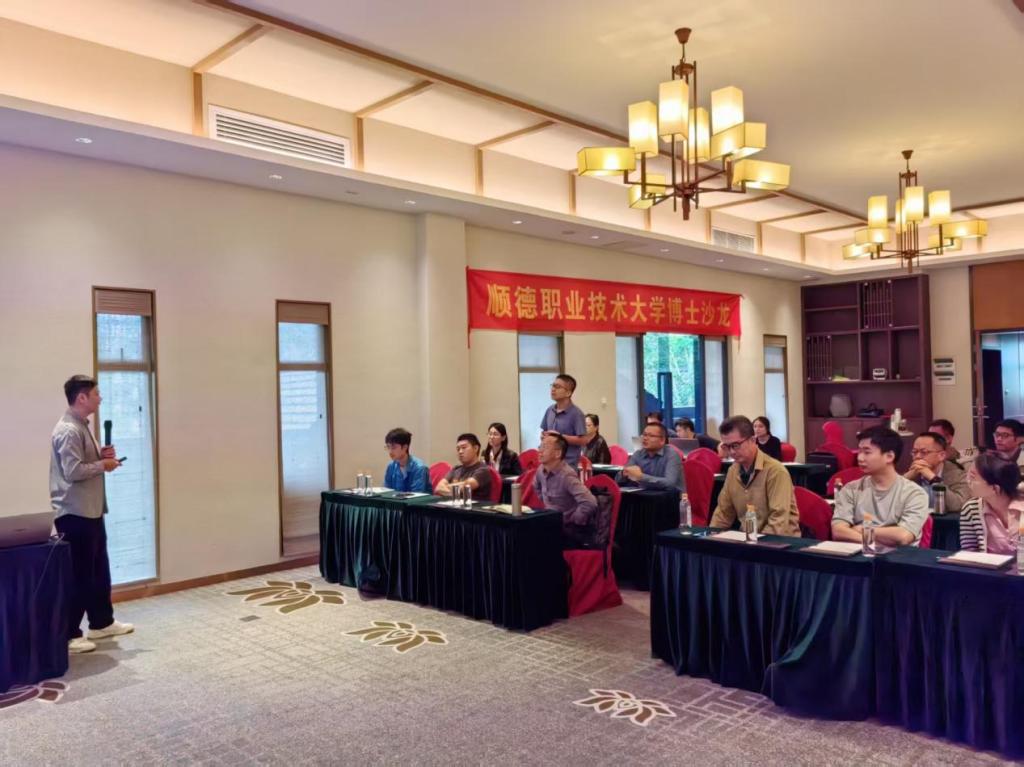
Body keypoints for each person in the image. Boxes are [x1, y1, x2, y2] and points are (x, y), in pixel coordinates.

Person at [50, 375, 134, 655]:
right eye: (96, 394)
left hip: (91, 510)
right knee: (79, 575)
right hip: (74, 513)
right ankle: (70, 634)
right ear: (82, 397)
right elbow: (73, 471)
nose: (101, 398)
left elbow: (85, 463)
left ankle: (101, 622)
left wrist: (102, 456)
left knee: (98, 571)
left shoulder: (82, 426)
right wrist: (102, 465)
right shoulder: (68, 430)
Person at [831, 425, 930, 547]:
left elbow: (904, 536)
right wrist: (873, 543)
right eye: (860, 451)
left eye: (867, 452)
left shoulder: (914, 493)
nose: (860, 458)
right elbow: (838, 531)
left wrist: (861, 529)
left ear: (889, 456)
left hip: (899, 557)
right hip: (859, 554)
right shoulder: (851, 489)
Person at [709, 416, 800, 536]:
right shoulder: (733, 471)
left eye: (735, 445)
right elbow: (723, 513)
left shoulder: (775, 471)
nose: (731, 452)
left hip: (780, 541)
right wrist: (712, 536)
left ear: (752, 440)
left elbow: (778, 521)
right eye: (726, 447)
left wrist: (755, 545)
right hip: (748, 539)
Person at [534, 434, 598, 548]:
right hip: (551, 524)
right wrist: (546, 503)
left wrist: (573, 520)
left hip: (567, 530)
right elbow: (536, 487)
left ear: (558, 453)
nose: (540, 451)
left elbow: (590, 502)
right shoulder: (540, 470)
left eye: (545, 447)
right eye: (540, 446)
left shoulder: (567, 475)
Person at [960, 453, 1024, 555]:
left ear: (995, 488)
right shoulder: (971, 509)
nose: (968, 481)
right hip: (988, 565)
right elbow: (970, 554)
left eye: (973, 477)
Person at [903, 431, 969, 513]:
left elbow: (958, 505)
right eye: (914, 452)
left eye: (924, 452)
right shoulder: (912, 474)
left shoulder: (957, 474)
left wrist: (933, 479)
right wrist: (906, 478)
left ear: (941, 455)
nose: (917, 456)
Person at [616, 422, 683, 491]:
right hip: (644, 494)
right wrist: (623, 474)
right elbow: (617, 480)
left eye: (651, 436)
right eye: (644, 435)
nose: (645, 438)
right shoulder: (638, 454)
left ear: (662, 440)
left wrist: (641, 477)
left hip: (669, 495)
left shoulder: (672, 455)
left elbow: (670, 483)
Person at [540, 374, 588, 467]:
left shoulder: (576, 414)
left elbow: (583, 440)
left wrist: (560, 437)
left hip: (567, 464)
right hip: (549, 462)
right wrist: (543, 436)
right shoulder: (550, 410)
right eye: (553, 385)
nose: (553, 389)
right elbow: (544, 431)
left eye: (557, 387)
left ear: (568, 393)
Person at [435, 433, 492, 499]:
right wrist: (454, 494)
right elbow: (438, 488)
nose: (460, 451)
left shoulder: (483, 470)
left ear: (475, 448)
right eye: (458, 449)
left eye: (464, 448)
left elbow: (466, 486)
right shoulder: (456, 469)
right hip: (454, 504)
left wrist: (446, 487)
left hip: (474, 505)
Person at [383, 427, 430, 492]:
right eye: (388, 447)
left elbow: (417, 495)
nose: (390, 451)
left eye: (393, 447)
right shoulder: (391, 466)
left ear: (405, 447)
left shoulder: (419, 468)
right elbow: (386, 491)